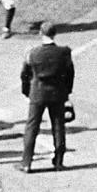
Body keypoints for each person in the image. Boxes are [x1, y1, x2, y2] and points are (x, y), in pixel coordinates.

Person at [17, 21, 74, 172]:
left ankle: (26, 162)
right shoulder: (64, 52)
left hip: (37, 93)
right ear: (55, 34)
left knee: (32, 127)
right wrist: (67, 92)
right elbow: (70, 74)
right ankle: (59, 161)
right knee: (58, 126)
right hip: (58, 93)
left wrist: (26, 91)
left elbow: (25, 75)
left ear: (41, 34)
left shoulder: (33, 53)